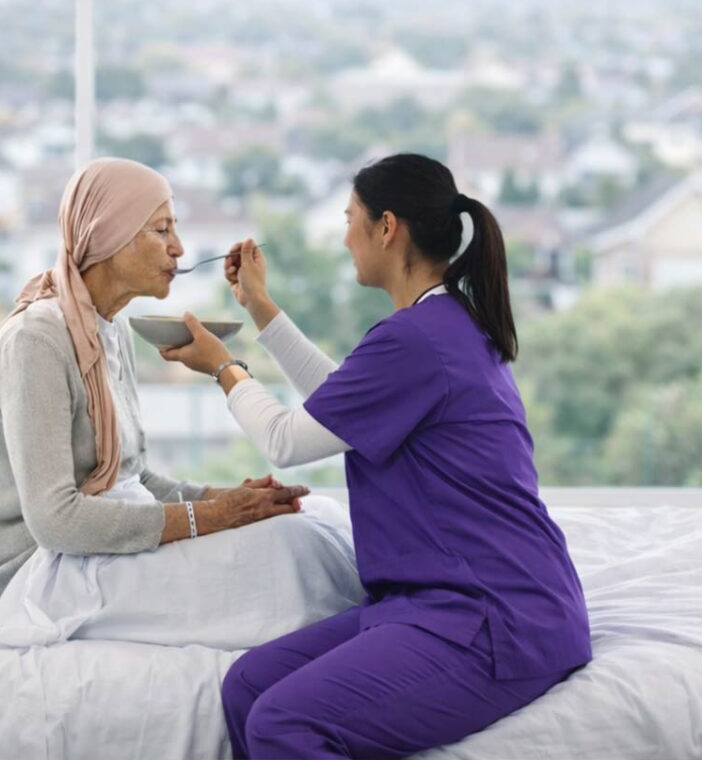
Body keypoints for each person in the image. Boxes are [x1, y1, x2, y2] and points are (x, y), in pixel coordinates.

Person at [164, 153, 593, 759]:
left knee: (284, 723)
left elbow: (287, 440)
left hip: (497, 618)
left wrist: (223, 368)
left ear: (387, 227)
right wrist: (259, 306)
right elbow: (342, 403)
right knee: (247, 687)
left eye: (350, 220)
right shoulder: (441, 323)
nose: (345, 238)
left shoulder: (416, 338)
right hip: (434, 603)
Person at [0, 157, 363, 648]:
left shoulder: (109, 330)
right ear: (108, 235)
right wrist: (212, 516)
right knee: (287, 555)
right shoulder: (37, 339)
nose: (179, 247)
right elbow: (55, 521)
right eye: (162, 229)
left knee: (311, 519)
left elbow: (135, 480)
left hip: (97, 552)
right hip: (41, 573)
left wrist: (226, 498)